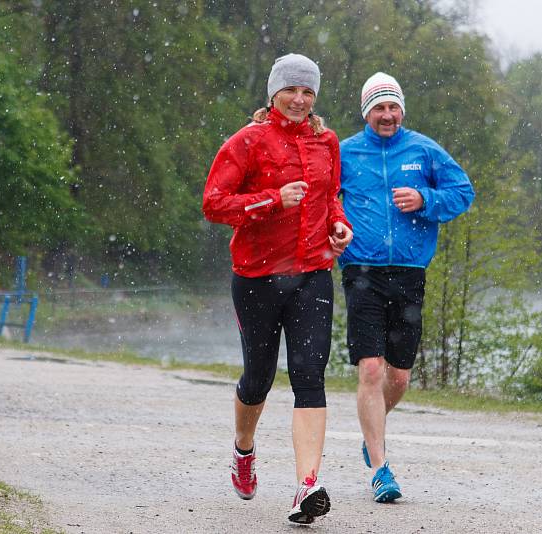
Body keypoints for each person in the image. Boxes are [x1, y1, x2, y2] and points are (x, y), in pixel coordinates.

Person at [202, 53, 353, 524]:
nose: (300, 99)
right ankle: (244, 449)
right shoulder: (247, 142)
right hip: (257, 277)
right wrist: (270, 199)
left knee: (310, 373)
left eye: (308, 91)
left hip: (312, 273)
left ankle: (307, 485)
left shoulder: (326, 142)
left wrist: (339, 227)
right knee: (259, 377)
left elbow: (331, 199)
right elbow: (214, 203)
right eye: (291, 89)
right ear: (273, 93)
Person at [338, 72, 475, 503]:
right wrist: (334, 231)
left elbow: (463, 192)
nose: (387, 115)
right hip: (361, 271)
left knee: (398, 376)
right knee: (371, 369)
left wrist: (425, 200)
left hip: (411, 272)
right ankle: (381, 468)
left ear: (402, 111)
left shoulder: (423, 150)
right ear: (366, 112)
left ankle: (370, 432)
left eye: (393, 107)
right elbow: (323, 199)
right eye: (379, 107)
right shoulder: (344, 153)